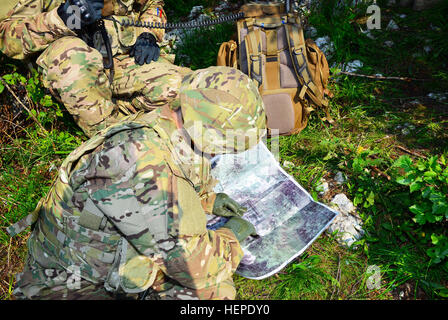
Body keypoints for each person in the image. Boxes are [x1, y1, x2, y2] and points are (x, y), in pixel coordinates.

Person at [7, 66, 267, 300]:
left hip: (105, 266)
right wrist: (232, 233)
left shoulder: (166, 120)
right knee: (212, 291)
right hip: (69, 286)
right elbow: (196, 268)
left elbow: (172, 187)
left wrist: (208, 201)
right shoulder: (143, 164)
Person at [0, 0, 191, 137]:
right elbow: (7, 37)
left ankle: (123, 114)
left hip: (122, 61)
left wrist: (148, 33)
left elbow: (152, 4)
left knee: (185, 90)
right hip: (73, 73)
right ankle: (110, 137)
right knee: (72, 54)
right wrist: (64, 17)